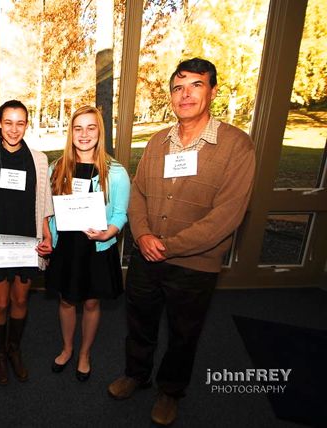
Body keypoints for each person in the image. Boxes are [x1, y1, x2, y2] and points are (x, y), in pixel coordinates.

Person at [107, 58, 255, 426]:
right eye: (178, 87)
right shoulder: (158, 142)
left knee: (184, 332)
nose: (185, 94)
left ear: (212, 91)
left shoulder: (236, 146)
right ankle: (136, 374)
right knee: (139, 321)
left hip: (195, 264)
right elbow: (138, 193)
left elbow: (228, 215)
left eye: (196, 85)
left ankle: (171, 391)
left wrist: (168, 245)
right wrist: (142, 234)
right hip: (146, 255)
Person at [0, 100, 53, 384]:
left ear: (27, 124)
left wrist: (47, 234)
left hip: (28, 242)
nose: (14, 129)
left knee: (20, 299)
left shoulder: (39, 159)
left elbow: (44, 201)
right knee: (1, 302)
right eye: (8, 122)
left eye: (20, 123)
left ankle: (14, 349)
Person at [47, 106, 130, 382]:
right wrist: (51, 239)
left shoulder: (115, 172)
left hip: (97, 248)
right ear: (70, 133)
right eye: (78, 128)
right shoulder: (57, 168)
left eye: (90, 127)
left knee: (92, 303)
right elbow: (50, 212)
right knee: (67, 300)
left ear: (100, 132)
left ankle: (84, 353)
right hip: (67, 248)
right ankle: (67, 347)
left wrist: (109, 233)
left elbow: (120, 214)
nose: (84, 134)